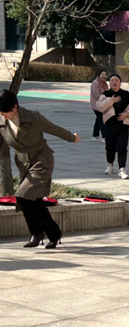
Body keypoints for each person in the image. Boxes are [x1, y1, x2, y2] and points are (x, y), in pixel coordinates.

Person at [0, 89, 80, 249]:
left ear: (15, 107)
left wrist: (72, 138)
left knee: (23, 196)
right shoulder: (2, 122)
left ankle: (37, 233)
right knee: (34, 200)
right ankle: (54, 234)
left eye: (5, 113)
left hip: (42, 161)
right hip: (24, 164)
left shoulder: (33, 117)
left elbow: (53, 128)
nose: (3, 116)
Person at [96, 74, 129, 179]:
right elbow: (100, 107)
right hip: (109, 125)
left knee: (122, 147)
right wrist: (111, 100)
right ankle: (110, 164)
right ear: (109, 83)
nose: (114, 82)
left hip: (123, 125)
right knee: (110, 147)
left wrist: (127, 114)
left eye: (116, 80)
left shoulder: (126, 94)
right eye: (112, 80)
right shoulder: (106, 94)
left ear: (120, 82)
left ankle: (122, 169)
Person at [90, 69, 108, 142]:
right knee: (102, 120)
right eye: (102, 74)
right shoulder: (95, 83)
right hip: (96, 105)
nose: (104, 76)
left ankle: (95, 136)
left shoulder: (105, 83)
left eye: (105, 75)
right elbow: (97, 95)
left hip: (103, 104)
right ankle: (104, 137)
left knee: (98, 120)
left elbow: (108, 92)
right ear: (99, 75)